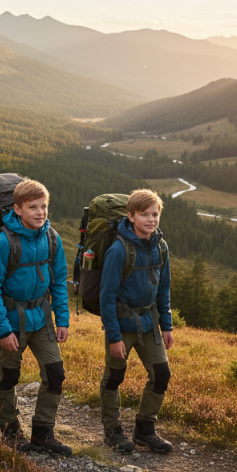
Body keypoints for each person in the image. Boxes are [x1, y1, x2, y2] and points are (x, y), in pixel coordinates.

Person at [0, 180, 72, 456]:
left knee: (55, 374)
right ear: (17, 209)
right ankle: (10, 432)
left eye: (44, 206)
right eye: (32, 207)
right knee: (10, 376)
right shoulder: (3, 243)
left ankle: (43, 433)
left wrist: (63, 320)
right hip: (12, 321)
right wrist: (2, 329)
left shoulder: (52, 238)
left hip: (42, 318)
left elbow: (58, 282)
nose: (40, 212)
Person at [98, 188, 174, 454]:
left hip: (149, 322)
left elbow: (163, 289)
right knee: (115, 377)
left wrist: (167, 325)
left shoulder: (161, 246)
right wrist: (114, 337)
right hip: (121, 324)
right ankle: (113, 431)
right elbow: (105, 297)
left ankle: (144, 430)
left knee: (161, 375)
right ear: (130, 216)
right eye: (144, 214)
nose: (151, 220)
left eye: (155, 214)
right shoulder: (119, 250)